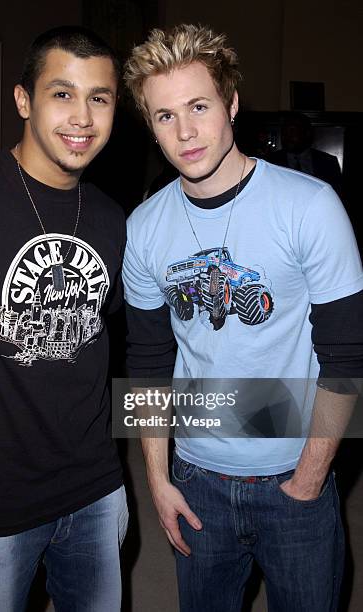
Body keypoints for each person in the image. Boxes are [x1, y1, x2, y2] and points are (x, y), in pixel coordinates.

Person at [123, 24, 363, 612]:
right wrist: (158, 479)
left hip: (295, 477)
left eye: (199, 106)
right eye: (164, 116)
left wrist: (308, 479)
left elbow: (347, 356)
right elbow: (148, 363)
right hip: (196, 476)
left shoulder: (310, 205)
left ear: (231, 103)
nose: (185, 131)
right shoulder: (144, 227)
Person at [0, 26, 128, 611]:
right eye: (62, 94)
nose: (82, 117)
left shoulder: (115, 220)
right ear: (23, 100)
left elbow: (112, 346)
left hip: (96, 492)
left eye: (100, 98)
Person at [268, 111, 343, 195]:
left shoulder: (327, 162)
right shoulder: (270, 162)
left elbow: (336, 194)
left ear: (306, 133)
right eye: (284, 132)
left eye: (292, 131)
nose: (287, 136)